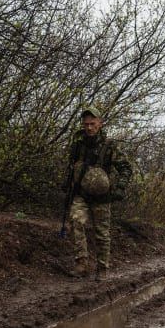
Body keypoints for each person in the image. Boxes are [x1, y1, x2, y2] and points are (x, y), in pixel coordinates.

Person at [62, 106, 132, 279]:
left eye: (92, 123)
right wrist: (67, 183)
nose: (89, 127)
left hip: (102, 196)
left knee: (102, 233)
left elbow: (126, 168)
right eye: (86, 124)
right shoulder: (78, 144)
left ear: (100, 123)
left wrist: (120, 188)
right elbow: (72, 165)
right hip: (81, 194)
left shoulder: (109, 146)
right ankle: (81, 264)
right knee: (75, 221)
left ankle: (103, 268)